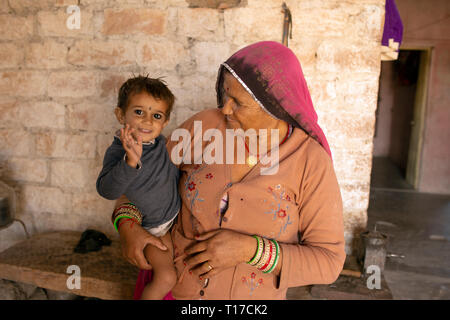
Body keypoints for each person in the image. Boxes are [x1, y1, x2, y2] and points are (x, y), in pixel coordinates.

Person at [113, 41, 346, 299]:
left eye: (238, 103)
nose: (225, 109)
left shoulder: (310, 162)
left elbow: (328, 262)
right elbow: (142, 180)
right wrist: (127, 223)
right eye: (226, 95)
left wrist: (250, 250)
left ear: (275, 107)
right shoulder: (205, 126)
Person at [97, 75, 180, 300]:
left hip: (173, 225)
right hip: (152, 230)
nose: (147, 121)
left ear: (164, 122)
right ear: (120, 114)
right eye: (138, 112)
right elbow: (107, 191)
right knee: (166, 278)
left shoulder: (162, 144)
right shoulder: (119, 151)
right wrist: (130, 162)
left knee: (177, 278)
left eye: (156, 115)